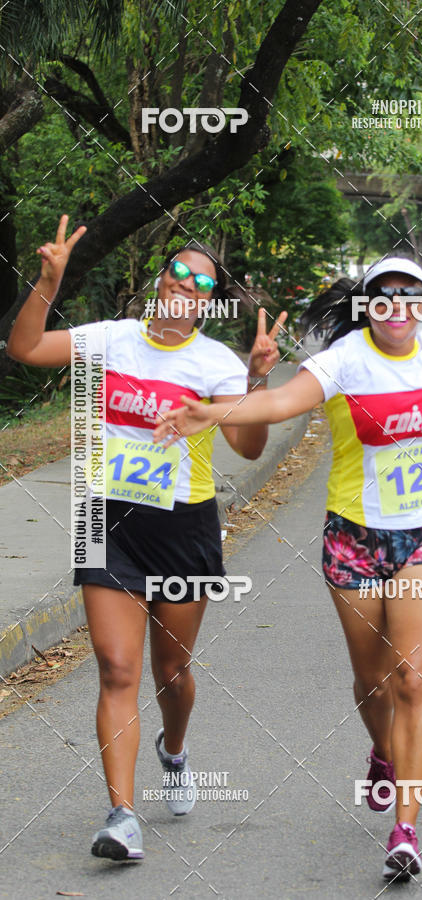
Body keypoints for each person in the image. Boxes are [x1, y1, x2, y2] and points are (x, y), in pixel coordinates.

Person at [153, 254, 422, 883]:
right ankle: (384, 754)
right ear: (368, 305)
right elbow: (281, 403)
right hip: (356, 539)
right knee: (373, 684)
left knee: (413, 679)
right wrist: (212, 412)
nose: (397, 308)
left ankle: (406, 829)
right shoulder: (343, 360)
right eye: (383, 297)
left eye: (409, 296)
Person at [6, 215, 286, 861]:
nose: (186, 286)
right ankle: (122, 815)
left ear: (208, 302)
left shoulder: (215, 361)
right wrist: (47, 282)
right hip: (107, 520)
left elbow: (246, 447)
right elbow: (24, 349)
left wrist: (255, 380)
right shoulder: (112, 340)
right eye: (178, 273)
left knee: (173, 671)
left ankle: (175, 748)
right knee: (117, 668)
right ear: (160, 282)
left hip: (184, 529)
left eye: (202, 283)